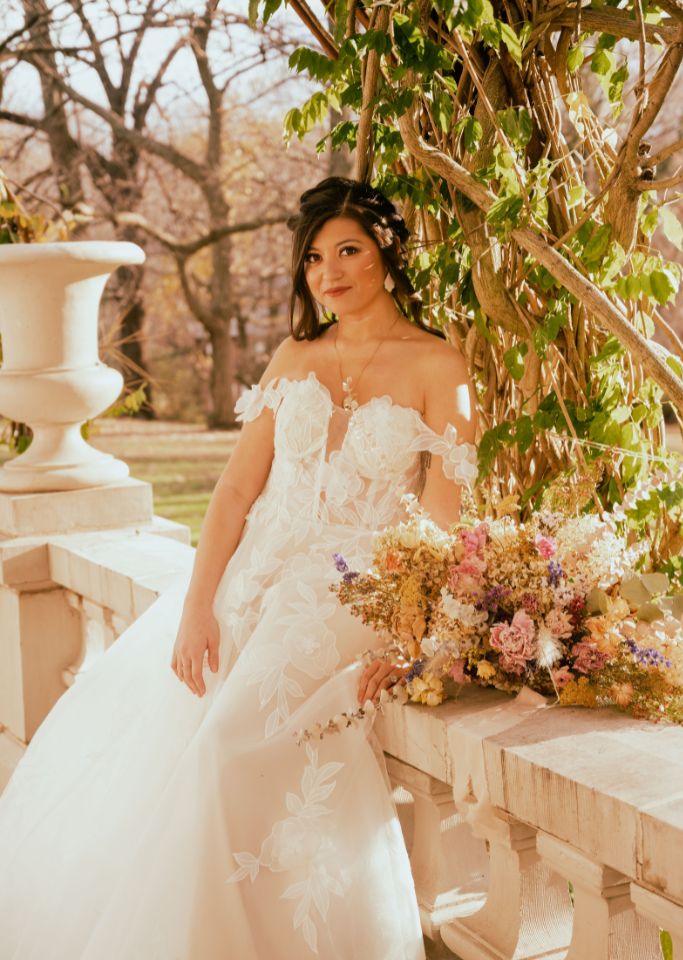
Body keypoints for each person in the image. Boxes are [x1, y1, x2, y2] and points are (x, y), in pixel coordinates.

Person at [0, 176, 478, 960]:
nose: (331, 271)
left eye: (350, 249)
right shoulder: (296, 355)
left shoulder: (437, 365)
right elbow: (232, 492)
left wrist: (416, 640)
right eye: (316, 257)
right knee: (170, 765)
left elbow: (451, 527)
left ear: (388, 253)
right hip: (249, 582)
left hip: (348, 591)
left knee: (225, 754)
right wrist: (196, 608)